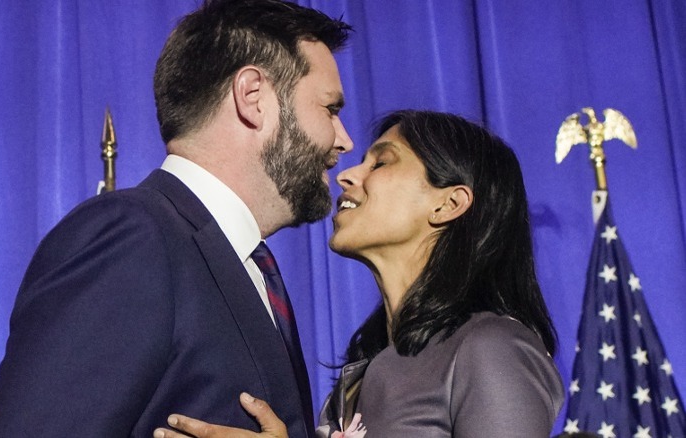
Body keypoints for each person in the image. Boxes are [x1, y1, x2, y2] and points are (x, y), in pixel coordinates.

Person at [0, 1, 353, 436]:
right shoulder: (134, 239)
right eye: (330, 109)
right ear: (253, 97)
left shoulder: (247, 264)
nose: (343, 140)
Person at [156, 110, 564, 438]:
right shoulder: (363, 370)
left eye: (382, 162)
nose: (347, 175)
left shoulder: (492, 346)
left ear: (449, 204)